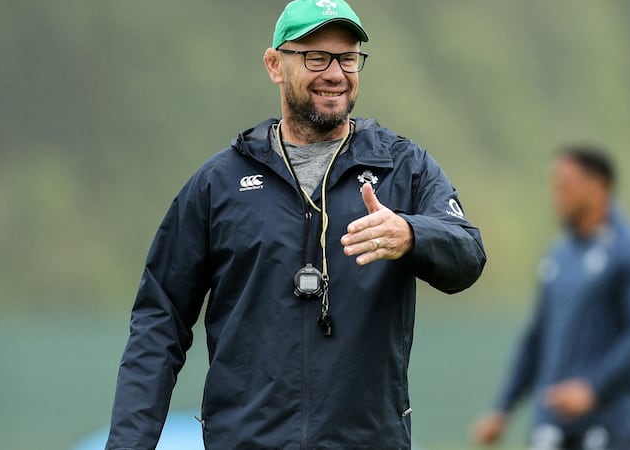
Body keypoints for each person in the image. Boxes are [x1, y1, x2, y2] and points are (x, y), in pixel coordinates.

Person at [105, 1, 487, 449]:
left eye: (347, 58)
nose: (335, 73)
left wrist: (412, 234)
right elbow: (160, 319)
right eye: (316, 57)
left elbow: (468, 254)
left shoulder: (404, 168)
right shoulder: (220, 183)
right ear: (274, 65)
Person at [471, 146, 630, 450]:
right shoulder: (557, 257)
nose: (556, 195)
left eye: (566, 185)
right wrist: (503, 408)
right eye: (554, 186)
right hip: (550, 423)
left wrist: (593, 387)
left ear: (598, 186)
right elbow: (537, 338)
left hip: (608, 422)